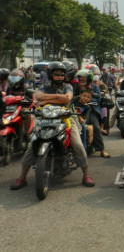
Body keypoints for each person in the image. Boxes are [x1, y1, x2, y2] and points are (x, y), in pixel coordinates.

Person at [10, 61, 95, 190]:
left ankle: (86, 175)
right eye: (57, 74)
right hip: (45, 117)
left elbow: (67, 99)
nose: (60, 77)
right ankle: (22, 178)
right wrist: (58, 98)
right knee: (32, 145)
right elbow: (38, 97)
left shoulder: (68, 87)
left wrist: (46, 100)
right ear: (51, 75)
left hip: (66, 117)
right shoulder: (43, 86)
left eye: (62, 75)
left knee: (77, 144)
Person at [76, 69, 110, 158]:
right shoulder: (76, 86)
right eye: (80, 77)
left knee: (96, 127)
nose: (82, 79)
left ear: (88, 78)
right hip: (77, 110)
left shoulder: (94, 87)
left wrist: (88, 100)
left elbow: (98, 98)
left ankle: (102, 150)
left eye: (84, 77)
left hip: (91, 109)